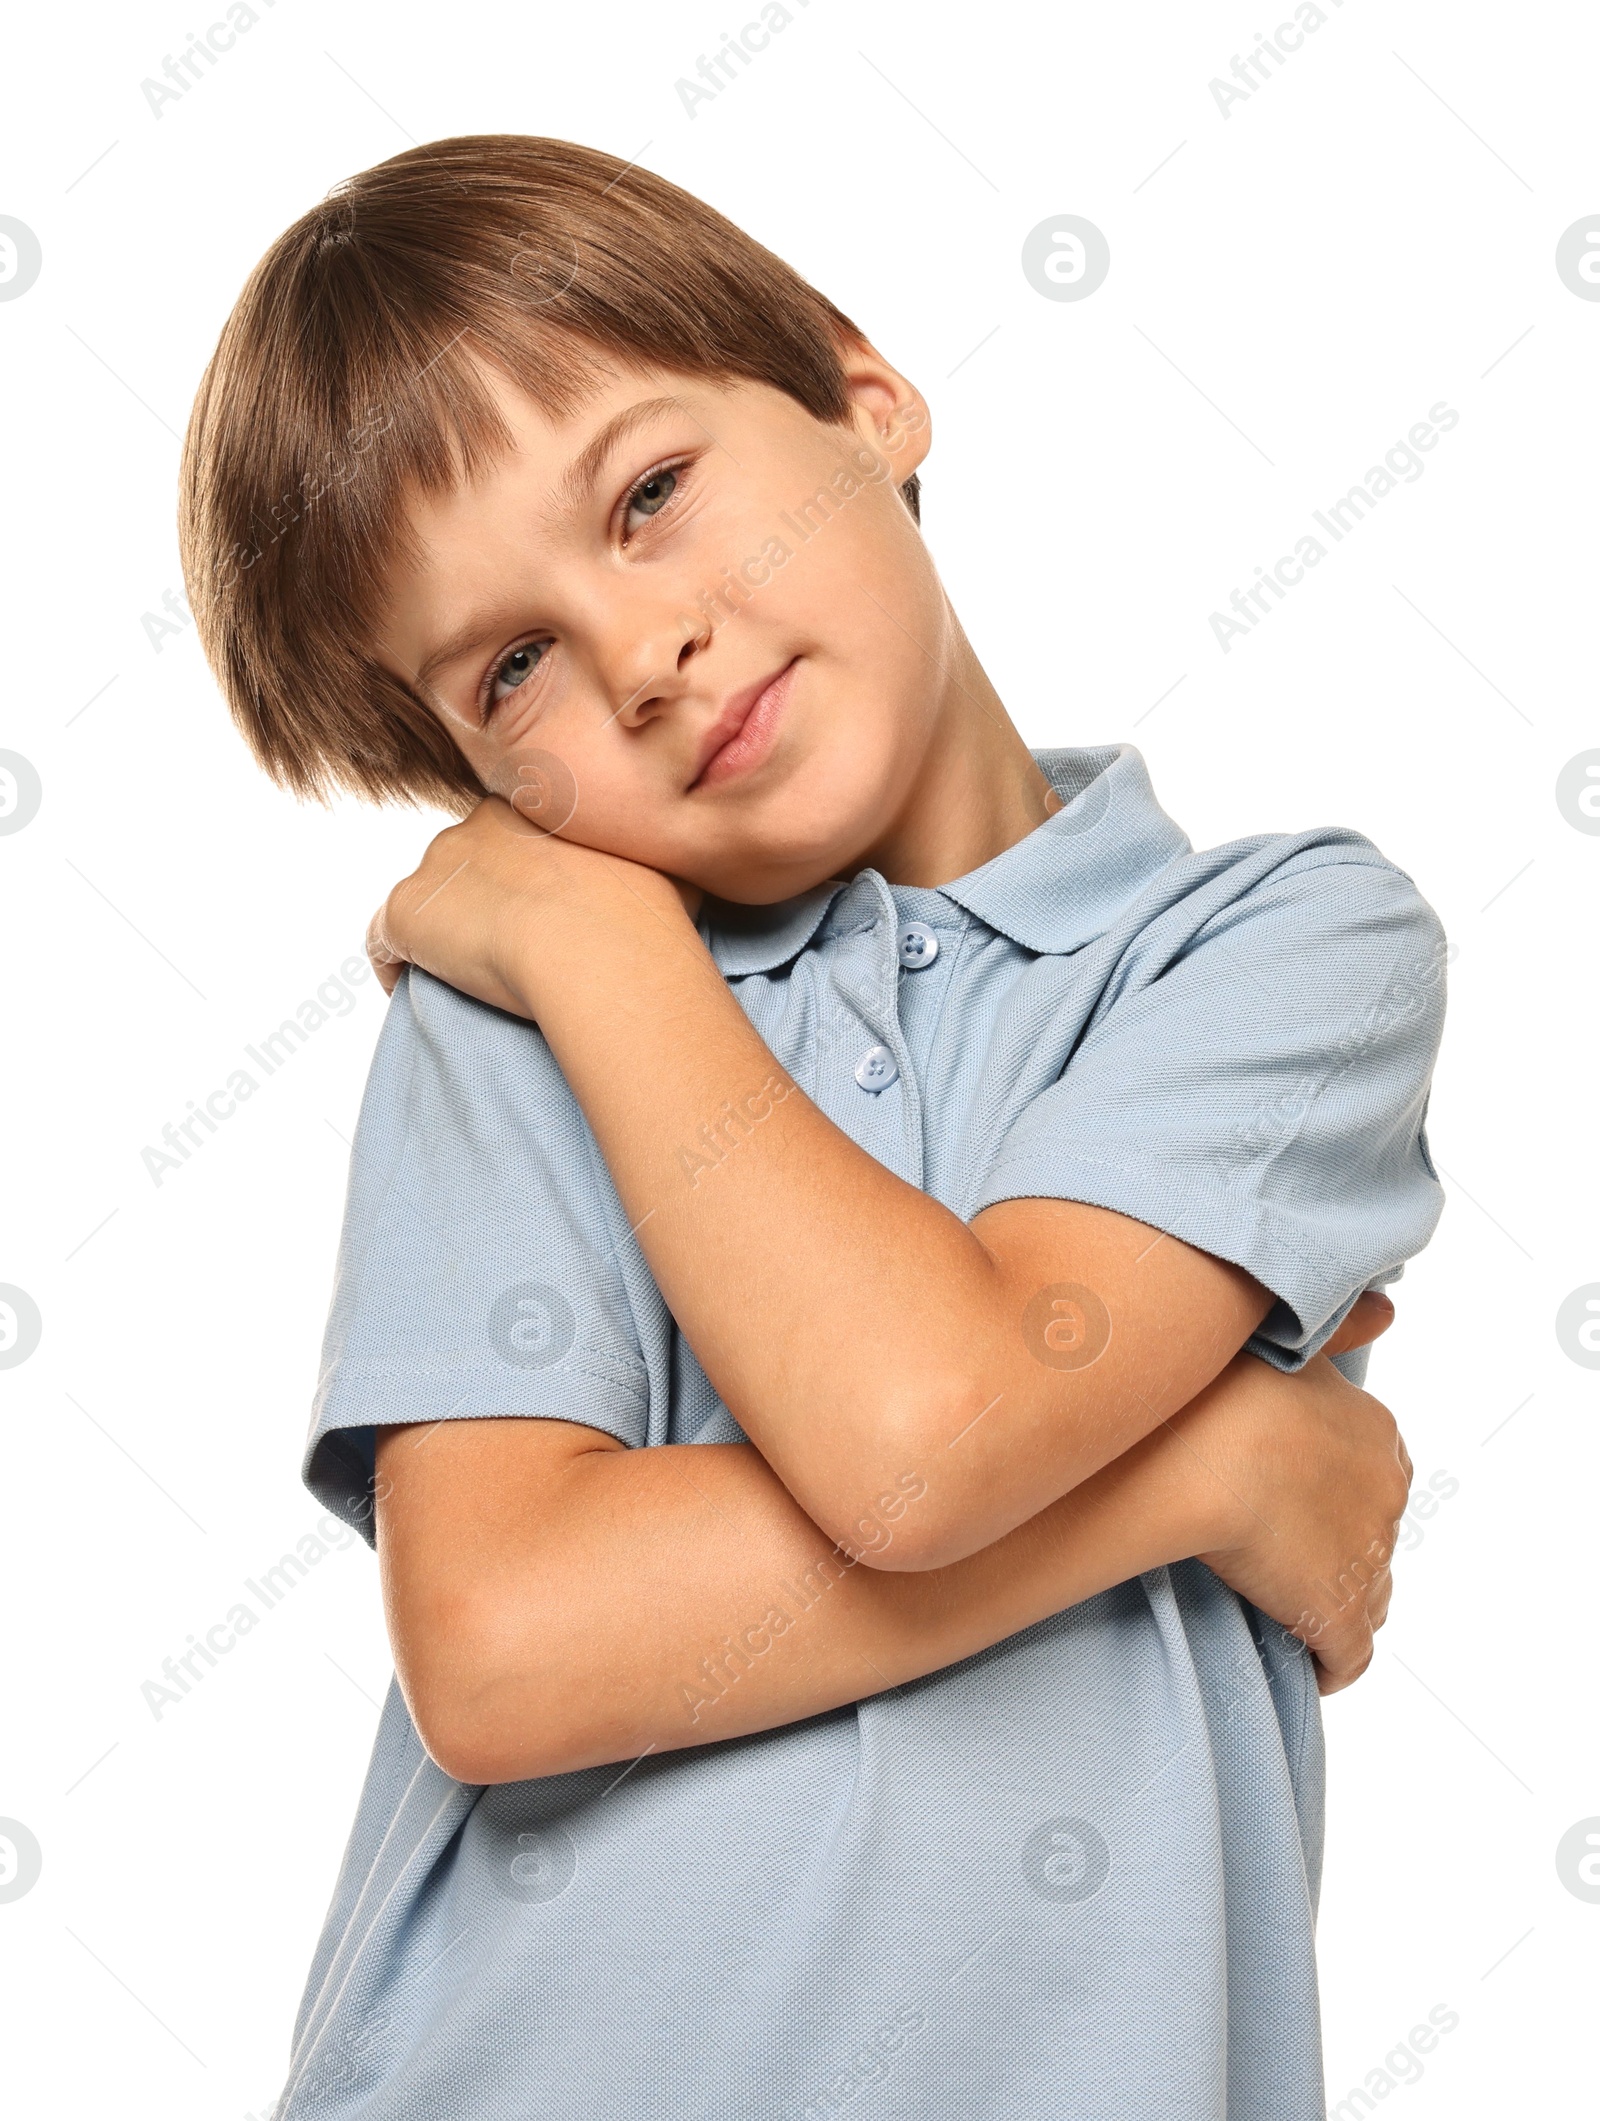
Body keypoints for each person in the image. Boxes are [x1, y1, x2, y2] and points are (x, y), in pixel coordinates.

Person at [179, 134, 1447, 2121]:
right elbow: (507, 1644)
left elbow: (926, 1421)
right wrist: (1197, 1468)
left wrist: (587, 943)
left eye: (652, 494)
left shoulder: (1268, 951)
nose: (640, 651)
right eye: (510, 666)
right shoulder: (525, 1018)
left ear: (863, 395)